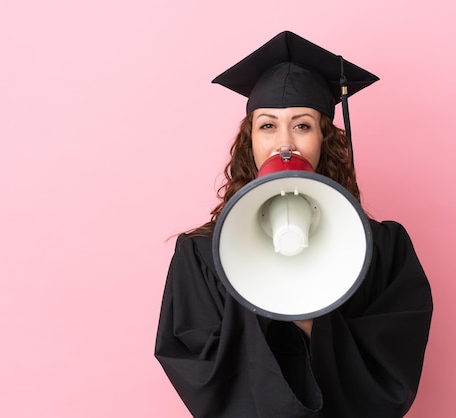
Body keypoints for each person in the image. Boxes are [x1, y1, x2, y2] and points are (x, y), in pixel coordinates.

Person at [155, 31, 433, 418]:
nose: (284, 143)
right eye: (267, 125)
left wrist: (313, 318)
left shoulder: (384, 248)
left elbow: (392, 372)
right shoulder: (199, 255)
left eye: (302, 125)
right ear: (248, 140)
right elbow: (198, 371)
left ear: (324, 137)